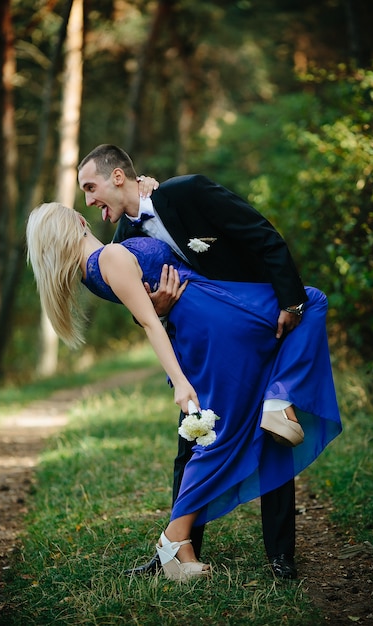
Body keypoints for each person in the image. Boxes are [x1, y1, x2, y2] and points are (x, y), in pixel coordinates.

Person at [26, 202, 341, 582]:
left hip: (208, 319)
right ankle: (175, 540)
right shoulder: (107, 256)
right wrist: (180, 381)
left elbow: (150, 307)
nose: (89, 202)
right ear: (75, 222)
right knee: (221, 435)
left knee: (220, 432)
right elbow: (148, 321)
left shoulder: (94, 267)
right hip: (212, 322)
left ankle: (181, 543)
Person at [76, 144, 321, 580]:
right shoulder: (119, 244)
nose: (89, 200)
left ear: (118, 178)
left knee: (274, 435)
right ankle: (178, 549)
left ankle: (281, 555)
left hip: (253, 318)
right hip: (196, 347)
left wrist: (288, 300)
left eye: (91, 187)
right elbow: (143, 313)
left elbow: (261, 235)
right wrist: (159, 305)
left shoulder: (188, 193)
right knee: (192, 440)